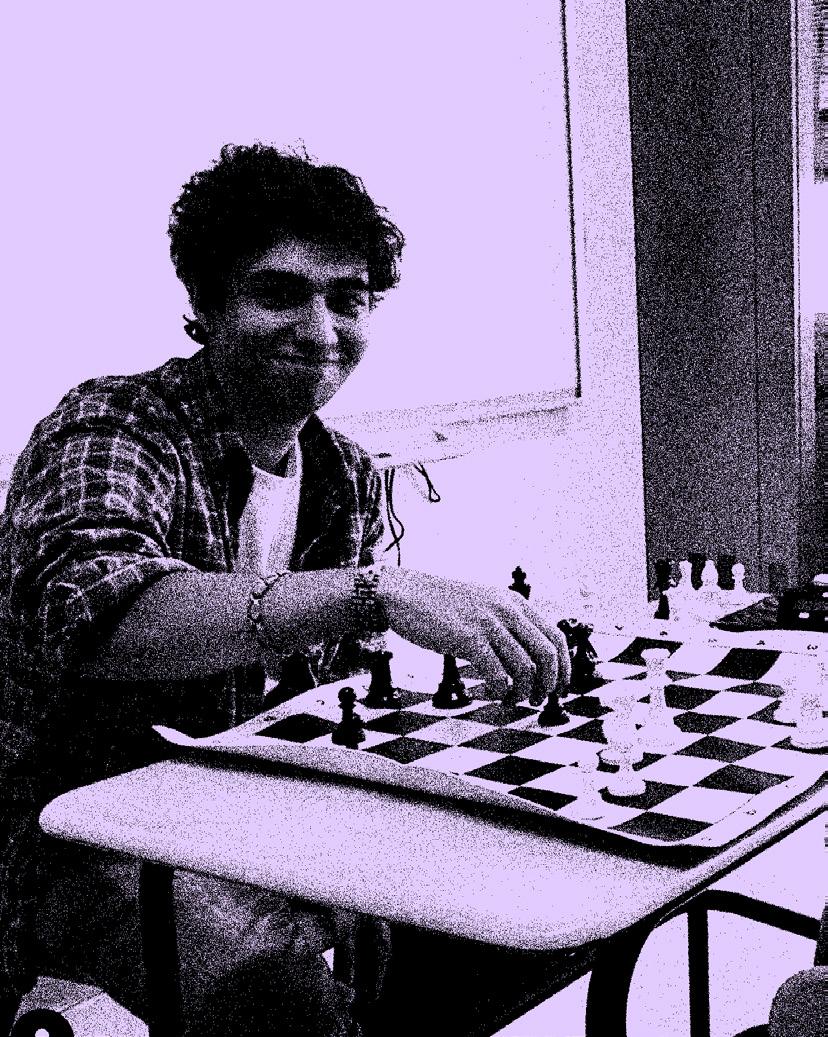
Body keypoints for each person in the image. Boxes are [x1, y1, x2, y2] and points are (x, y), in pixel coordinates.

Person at [0, 144, 576, 1036]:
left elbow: (313, 712)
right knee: (272, 990)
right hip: (75, 831)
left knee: (507, 913)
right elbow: (100, 617)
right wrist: (375, 591)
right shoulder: (112, 425)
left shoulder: (343, 472)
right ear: (204, 305)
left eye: (348, 299)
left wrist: (354, 852)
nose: (320, 328)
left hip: (246, 810)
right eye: (280, 293)